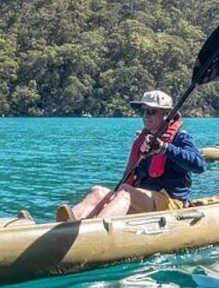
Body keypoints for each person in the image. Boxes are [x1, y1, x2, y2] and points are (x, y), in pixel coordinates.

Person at [56, 90, 206, 221]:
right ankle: (66, 227)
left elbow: (200, 166)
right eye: (144, 111)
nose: (146, 116)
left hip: (170, 201)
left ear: (166, 114)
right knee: (98, 192)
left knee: (125, 191)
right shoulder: (143, 140)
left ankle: (94, 231)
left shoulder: (181, 138)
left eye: (152, 111)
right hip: (141, 198)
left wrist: (164, 148)